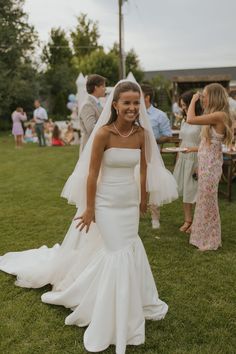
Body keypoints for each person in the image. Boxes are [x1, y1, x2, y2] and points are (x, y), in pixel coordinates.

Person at [0, 80, 178, 354]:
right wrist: (91, 208)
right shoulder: (104, 133)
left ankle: (133, 301)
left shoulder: (142, 134)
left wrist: (143, 198)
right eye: (126, 102)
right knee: (116, 252)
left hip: (129, 203)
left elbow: (144, 168)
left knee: (129, 248)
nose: (132, 107)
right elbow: (92, 173)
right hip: (106, 203)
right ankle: (110, 314)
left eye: (135, 102)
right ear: (115, 104)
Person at [186, 83, 233, 251]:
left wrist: (192, 100)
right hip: (207, 162)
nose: (202, 98)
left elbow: (190, 119)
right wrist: (192, 149)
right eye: (201, 96)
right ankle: (202, 236)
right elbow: (208, 144)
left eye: (205, 96)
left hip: (211, 164)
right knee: (204, 201)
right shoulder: (215, 115)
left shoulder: (220, 115)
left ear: (213, 97)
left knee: (209, 202)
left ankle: (210, 241)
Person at [141, 84, 172, 229]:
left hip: (153, 157)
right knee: (134, 185)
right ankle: (135, 215)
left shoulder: (160, 115)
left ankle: (155, 218)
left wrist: (153, 139)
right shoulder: (133, 113)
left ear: (147, 97)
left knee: (153, 186)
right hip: (135, 155)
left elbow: (167, 136)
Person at [173, 90, 202, 233]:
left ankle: (197, 221)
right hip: (184, 158)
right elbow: (182, 141)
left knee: (195, 191)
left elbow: (207, 144)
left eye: (185, 105)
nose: (183, 109)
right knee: (185, 190)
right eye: (182, 106)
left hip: (196, 158)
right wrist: (178, 158)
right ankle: (187, 220)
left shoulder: (203, 120)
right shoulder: (185, 120)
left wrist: (194, 151)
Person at [79, 74, 106, 152]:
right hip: (90, 148)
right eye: (103, 86)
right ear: (96, 87)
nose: (105, 89)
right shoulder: (87, 105)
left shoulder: (97, 103)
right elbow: (91, 128)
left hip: (97, 146)